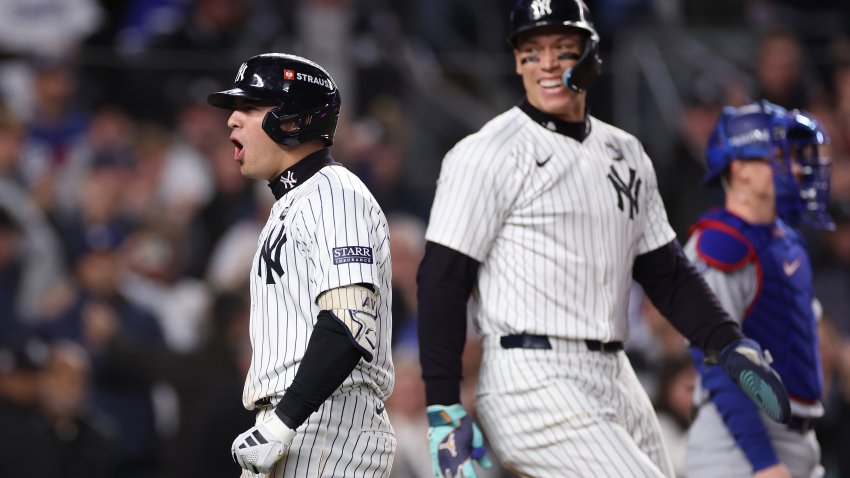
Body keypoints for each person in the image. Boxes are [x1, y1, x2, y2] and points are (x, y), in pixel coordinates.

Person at [416, 1, 791, 477]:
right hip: (531, 378)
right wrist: (443, 406)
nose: (547, 63)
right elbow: (442, 282)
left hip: (616, 371)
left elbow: (665, 271)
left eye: (562, 48)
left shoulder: (626, 151)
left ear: (591, 54)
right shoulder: (484, 153)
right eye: (532, 51)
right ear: (516, 62)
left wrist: (727, 341)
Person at [206, 53, 395, 477]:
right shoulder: (296, 201)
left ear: (294, 120)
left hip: (327, 425)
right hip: (299, 424)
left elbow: (350, 323)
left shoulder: (335, 194)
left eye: (251, 107)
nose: (233, 120)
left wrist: (283, 420)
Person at [683, 102, 832, 478]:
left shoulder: (786, 240)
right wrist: (763, 462)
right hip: (740, 447)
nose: (797, 168)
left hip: (798, 441)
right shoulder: (719, 244)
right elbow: (718, 362)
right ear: (741, 169)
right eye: (780, 158)